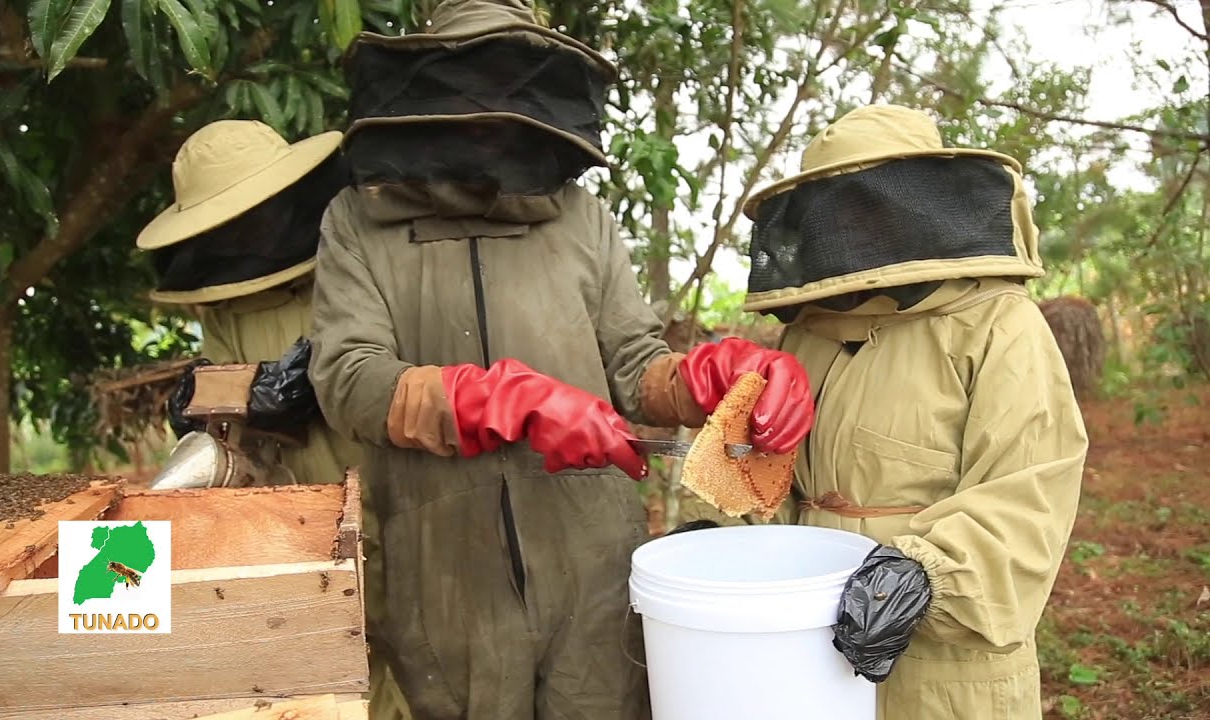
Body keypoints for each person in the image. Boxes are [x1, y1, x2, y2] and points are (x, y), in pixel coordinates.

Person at [307, 1, 816, 718]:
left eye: (513, 82)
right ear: (429, 93)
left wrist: (703, 378)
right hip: (445, 570)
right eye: (475, 83)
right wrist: (502, 401)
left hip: (592, 560)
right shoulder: (356, 222)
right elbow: (348, 379)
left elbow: (634, 365)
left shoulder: (584, 217)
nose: (495, 106)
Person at [692, 104, 1088, 719]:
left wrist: (927, 575)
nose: (853, 223)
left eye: (870, 201)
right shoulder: (807, 334)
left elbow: (1031, 489)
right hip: (807, 642)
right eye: (836, 208)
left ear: (919, 203)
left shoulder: (1000, 323)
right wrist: (718, 544)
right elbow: (761, 471)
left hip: (947, 667)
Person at [134, 119, 413, 719]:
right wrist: (204, 401)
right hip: (294, 520)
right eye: (230, 222)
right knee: (325, 682)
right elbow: (225, 423)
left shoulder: (368, 257)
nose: (247, 233)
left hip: (398, 504)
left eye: (256, 213)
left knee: (413, 674)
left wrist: (333, 373)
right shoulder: (223, 299)